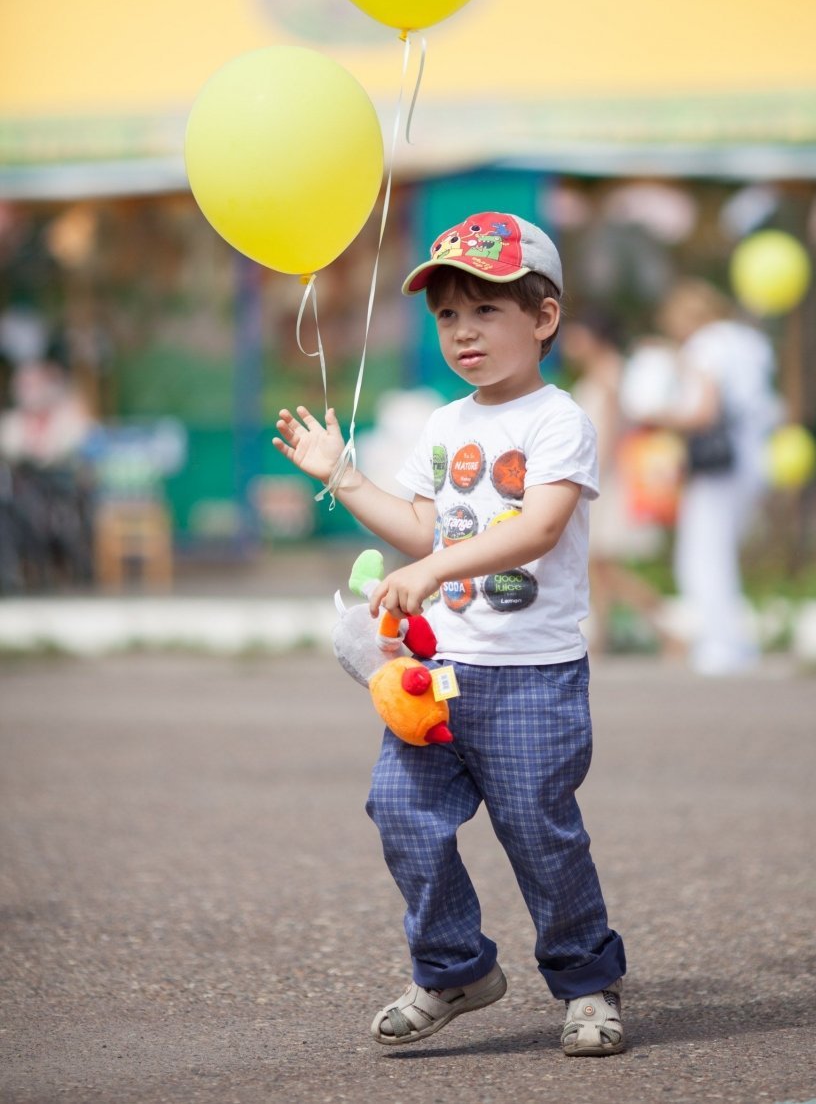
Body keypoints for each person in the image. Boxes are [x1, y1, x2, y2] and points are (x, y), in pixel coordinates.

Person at [274, 211, 626, 1057]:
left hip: (533, 675)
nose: (463, 332)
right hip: (440, 674)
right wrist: (343, 476)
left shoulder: (557, 421)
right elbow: (421, 528)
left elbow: (539, 529)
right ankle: (454, 967)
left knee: (539, 831)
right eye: (447, 316)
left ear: (543, 319)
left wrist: (435, 570)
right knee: (399, 809)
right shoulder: (442, 426)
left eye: (486, 310)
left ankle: (586, 981)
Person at [648, 278, 780, 676]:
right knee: (722, 551)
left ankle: (722, 645)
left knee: (703, 555)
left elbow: (704, 411)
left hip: (719, 462)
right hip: (757, 455)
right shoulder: (750, 341)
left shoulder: (705, 346)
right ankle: (735, 641)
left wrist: (655, 414)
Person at [561, 311, 678, 656]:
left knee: (601, 562)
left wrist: (592, 479)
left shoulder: (609, 374)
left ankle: (665, 626)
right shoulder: (607, 372)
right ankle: (605, 636)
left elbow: (610, 432)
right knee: (598, 564)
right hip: (602, 475)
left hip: (605, 478)